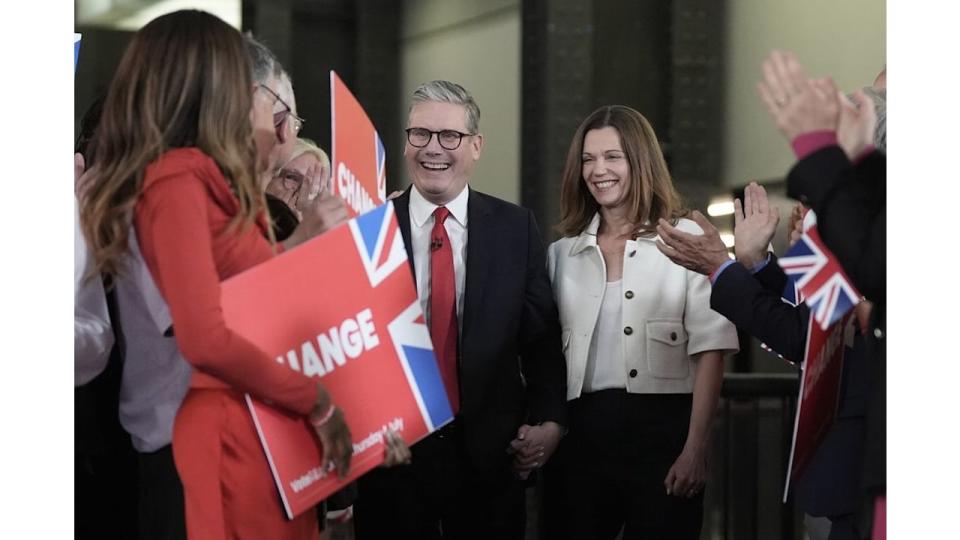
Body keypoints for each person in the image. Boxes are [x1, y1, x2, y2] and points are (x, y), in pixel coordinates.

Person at [78, 11, 396, 539]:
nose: (264, 117)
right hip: (200, 452)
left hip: (241, 444)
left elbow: (240, 296)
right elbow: (206, 332)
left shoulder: (199, 180)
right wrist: (316, 402)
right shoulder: (175, 180)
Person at [354, 80, 568, 540]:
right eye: (421, 134)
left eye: (449, 136)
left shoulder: (516, 229)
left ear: (475, 146)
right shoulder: (369, 229)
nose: (434, 148)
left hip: (490, 463)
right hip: (390, 458)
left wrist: (550, 421)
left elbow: (541, 340)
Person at [543, 105, 738, 540]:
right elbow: (543, 358)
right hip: (580, 438)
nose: (598, 170)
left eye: (612, 157)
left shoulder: (686, 239)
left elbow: (712, 351)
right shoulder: (561, 254)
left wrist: (696, 449)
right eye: (588, 159)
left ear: (640, 159)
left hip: (663, 436)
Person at [656, 182, 873, 540]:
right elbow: (824, 316)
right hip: (845, 462)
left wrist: (720, 269)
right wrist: (758, 264)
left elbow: (813, 334)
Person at [756, 50, 885, 537]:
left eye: (882, 101)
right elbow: (817, 326)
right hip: (850, 457)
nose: (868, 107)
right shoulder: (839, 213)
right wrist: (768, 265)